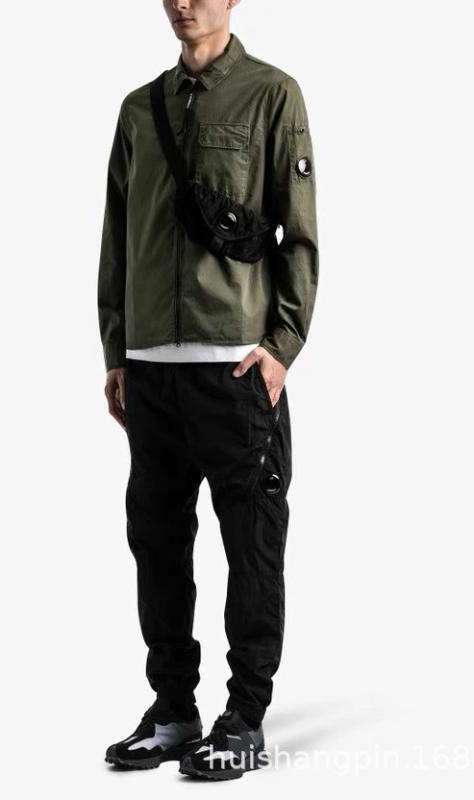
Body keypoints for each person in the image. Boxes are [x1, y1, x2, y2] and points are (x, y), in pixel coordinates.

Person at [97, 0, 319, 780]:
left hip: (235, 369)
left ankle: (245, 718)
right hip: (151, 371)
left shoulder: (272, 94)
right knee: (157, 544)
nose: (182, 3)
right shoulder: (138, 109)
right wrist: (117, 350)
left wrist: (282, 345)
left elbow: (300, 233)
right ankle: (173, 711)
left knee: (251, 543)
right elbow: (117, 236)